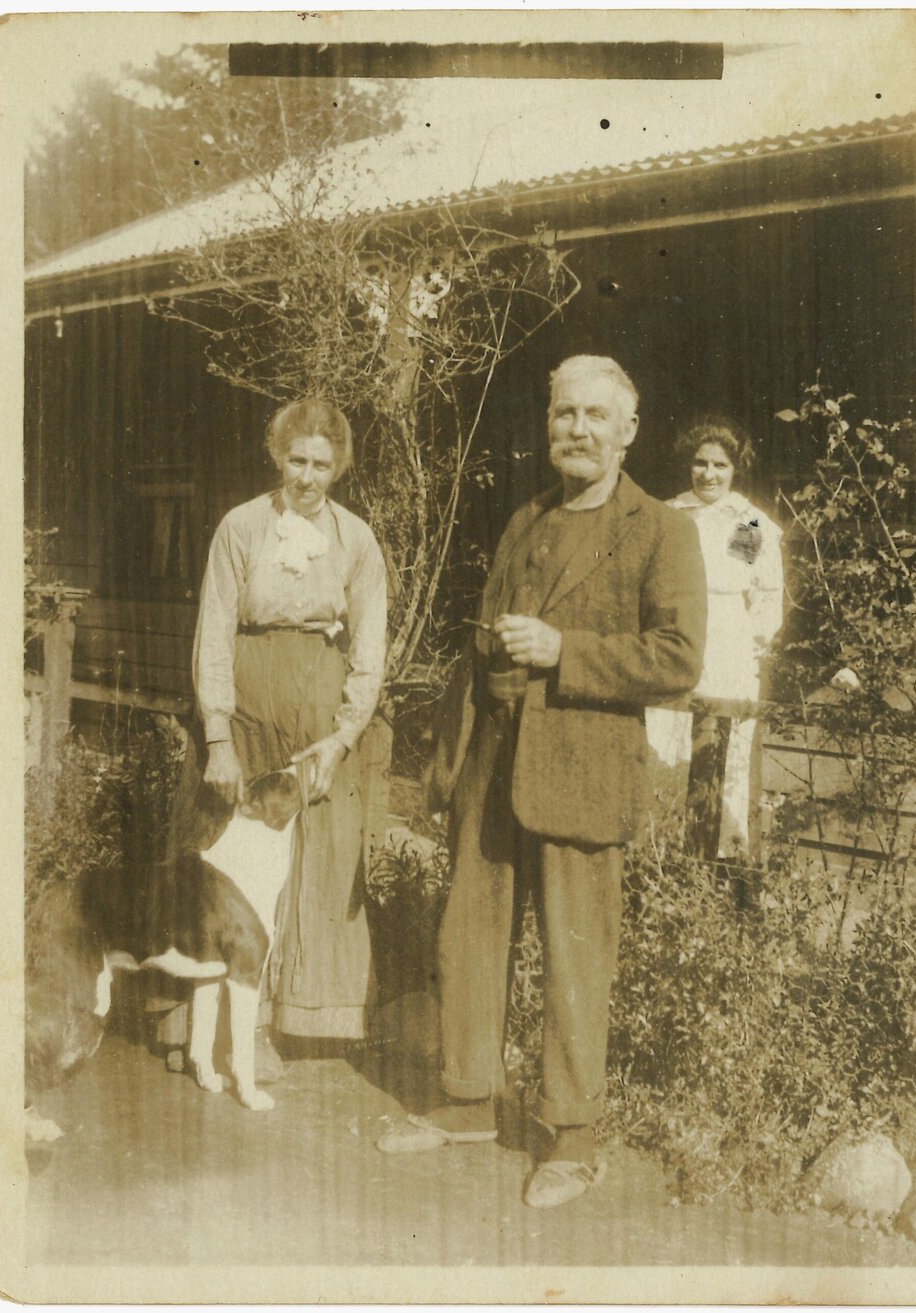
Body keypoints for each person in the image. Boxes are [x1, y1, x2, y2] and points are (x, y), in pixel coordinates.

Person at [376, 355, 707, 1208]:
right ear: (549, 422)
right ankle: (465, 1101)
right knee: (470, 935)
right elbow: (490, 632)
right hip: (495, 761)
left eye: (597, 416)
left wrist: (566, 652)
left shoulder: (662, 529)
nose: (578, 430)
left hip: (586, 771)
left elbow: (678, 659)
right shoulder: (527, 516)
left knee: (575, 956)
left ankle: (573, 1136)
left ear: (628, 431)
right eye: (565, 414)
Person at [180, 396, 387, 1046]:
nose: (307, 475)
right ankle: (217, 1028)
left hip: (320, 714)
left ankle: (296, 1016)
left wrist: (344, 735)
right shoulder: (240, 528)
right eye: (296, 459)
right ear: (277, 456)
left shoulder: (355, 539)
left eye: (321, 463)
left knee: (312, 857)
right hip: (244, 705)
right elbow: (213, 629)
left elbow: (370, 651)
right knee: (233, 855)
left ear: (338, 467)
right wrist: (216, 735)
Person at [645, 416, 783, 873]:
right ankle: (660, 846)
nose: (708, 474)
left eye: (719, 465)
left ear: (734, 468)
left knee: (725, 745)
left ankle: (722, 857)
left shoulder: (744, 521)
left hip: (727, 641)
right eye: (700, 463)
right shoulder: (669, 515)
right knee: (667, 735)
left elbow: (764, 589)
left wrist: (753, 642)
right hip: (676, 632)